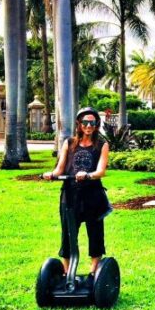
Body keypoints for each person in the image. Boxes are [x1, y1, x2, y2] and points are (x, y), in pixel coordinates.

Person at [43, 107, 112, 277]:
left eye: (92, 123)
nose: (88, 126)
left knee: (95, 232)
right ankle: (67, 273)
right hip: (70, 195)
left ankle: (93, 272)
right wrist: (52, 175)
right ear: (79, 124)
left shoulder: (102, 145)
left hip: (93, 195)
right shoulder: (69, 143)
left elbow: (101, 171)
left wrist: (88, 175)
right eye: (85, 123)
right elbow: (60, 168)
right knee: (68, 233)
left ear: (97, 125)